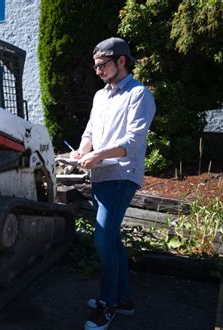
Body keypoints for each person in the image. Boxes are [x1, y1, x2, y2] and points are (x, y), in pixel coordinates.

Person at [70, 37, 156, 330]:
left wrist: (97, 155)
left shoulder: (139, 94)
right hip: (101, 175)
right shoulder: (99, 96)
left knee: (103, 240)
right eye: (95, 66)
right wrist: (83, 150)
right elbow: (90, 130)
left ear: (122, 61)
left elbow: (132, 143)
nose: (98, 70)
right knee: (113, 242)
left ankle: (108, 305)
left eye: (102, 64)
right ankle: (124, 300)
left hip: (121, 175)